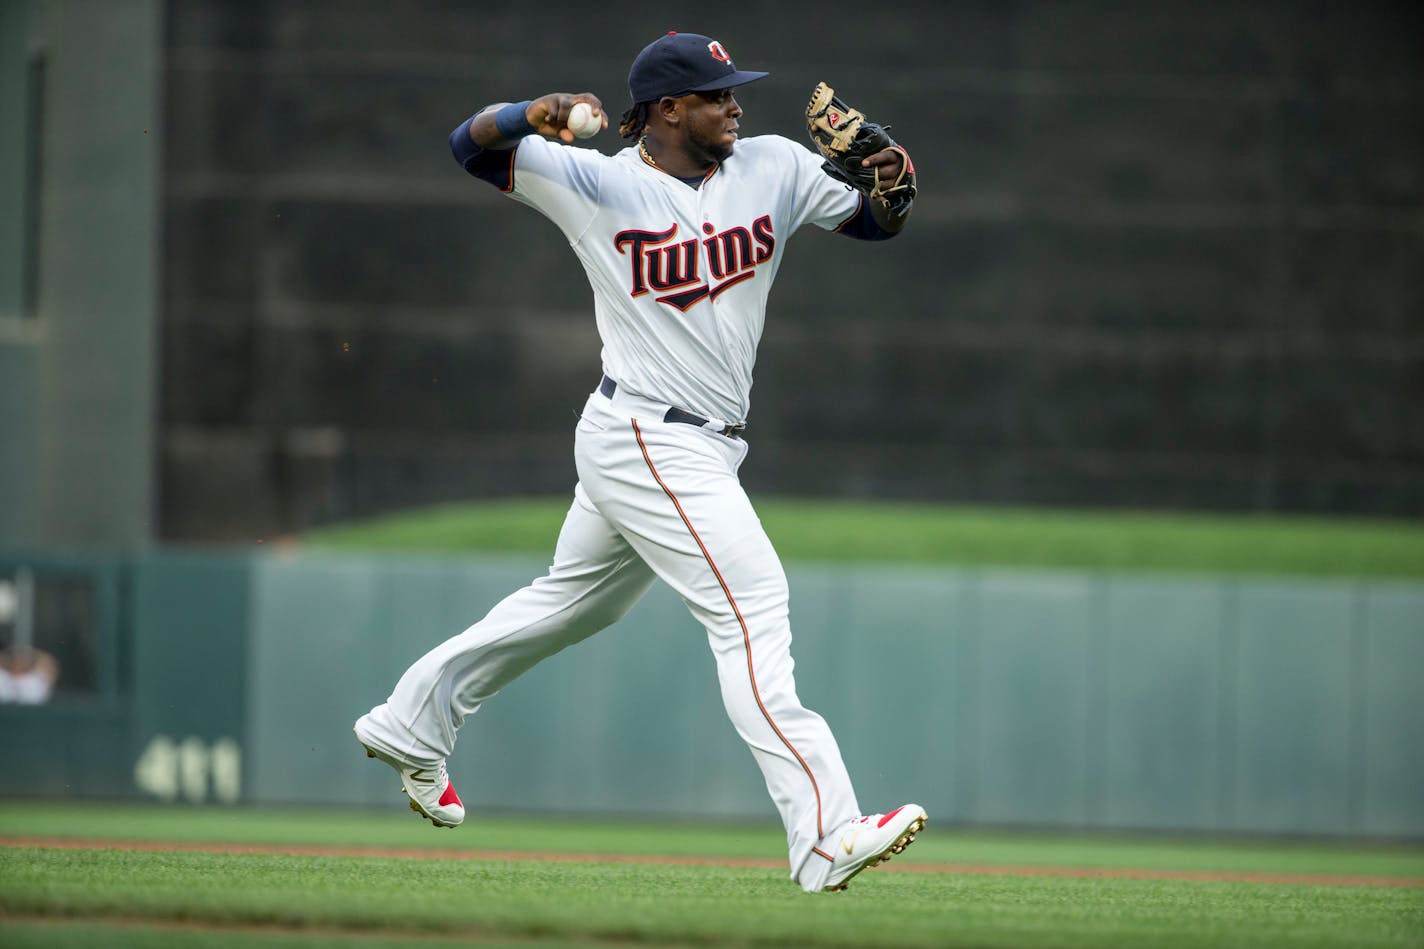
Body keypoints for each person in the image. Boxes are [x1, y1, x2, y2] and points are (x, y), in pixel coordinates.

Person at [355, 31, 925, 893]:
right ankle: (825, 831)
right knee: (752, 607)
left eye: (735, 91)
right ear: (667, 109)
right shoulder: (598, 180)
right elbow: (468, 149)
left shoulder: (769, 165)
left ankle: (410, 720)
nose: (736, 104)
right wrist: (527, 114)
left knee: (572, 605)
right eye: (716, 94)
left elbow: (876, 222)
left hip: (691, 443)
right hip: (648, 435)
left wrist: (889, 172)